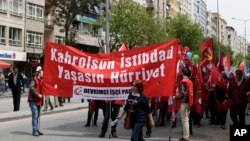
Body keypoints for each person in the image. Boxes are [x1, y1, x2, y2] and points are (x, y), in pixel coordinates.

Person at [174, 67, 193, 141]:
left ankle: (186, 137)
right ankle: (185, 136)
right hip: (188, 102)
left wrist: (175, 97)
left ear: (183, 73)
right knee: (186, 120)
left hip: (184, 102)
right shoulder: (189, 81)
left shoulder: (183, 81)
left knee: (185, 121)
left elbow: (182, 93)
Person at [27, 67, 44, 136]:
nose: (43, 74)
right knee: (35, 115)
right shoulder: (34, 80)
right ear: (39, 73)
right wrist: (38, 94)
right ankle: (34, 130)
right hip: (33, 100)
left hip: (38, 101)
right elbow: (31, 87)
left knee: (37, 115)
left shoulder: (41, 81)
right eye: (42, 73)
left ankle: (36, 129)